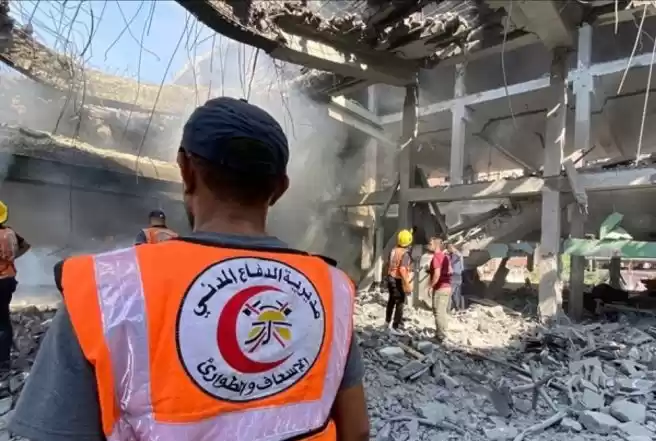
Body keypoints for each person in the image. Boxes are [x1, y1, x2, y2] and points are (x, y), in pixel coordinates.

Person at [9, 97, 370, 441]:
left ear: (185, 169)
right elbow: (357, 430)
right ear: (281, 188)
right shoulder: (331, 288)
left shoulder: (106, 290)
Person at [0, 201, 30, 372]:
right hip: (8, 280)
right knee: (3, 321)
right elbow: (25, 246)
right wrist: (10, 259)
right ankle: (4, 361)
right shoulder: (10, 232)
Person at [385, 229, 413, 335]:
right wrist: (407, 284)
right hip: (397, 279)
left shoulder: (393, 250)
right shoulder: (405, 254)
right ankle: (396, 326)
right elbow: (402, 269)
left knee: (391, 301)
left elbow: (389, 263)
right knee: (400, 302)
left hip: (390, 277)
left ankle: (387, 322)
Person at [428, 236, 451, 342]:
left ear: (435, 245)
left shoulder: (436, 257)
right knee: (441, 311)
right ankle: (443, 332)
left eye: (430, 244)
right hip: (447, 287)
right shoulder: (445, 256)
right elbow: (450, 270)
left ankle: (441, 337)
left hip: (440, 288)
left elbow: (437, 274)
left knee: (438, 312)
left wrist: (430, 286)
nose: (429, 245)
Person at [446, 241, 464, 311]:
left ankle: (448, 309)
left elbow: (458, 256)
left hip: (455, 275)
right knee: (455, 294)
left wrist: (453, 250)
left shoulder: (456, 254)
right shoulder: (453, 255)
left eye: (449, 248)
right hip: (458, 275)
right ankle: (457, 308)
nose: (448, 250)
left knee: (450, 293)